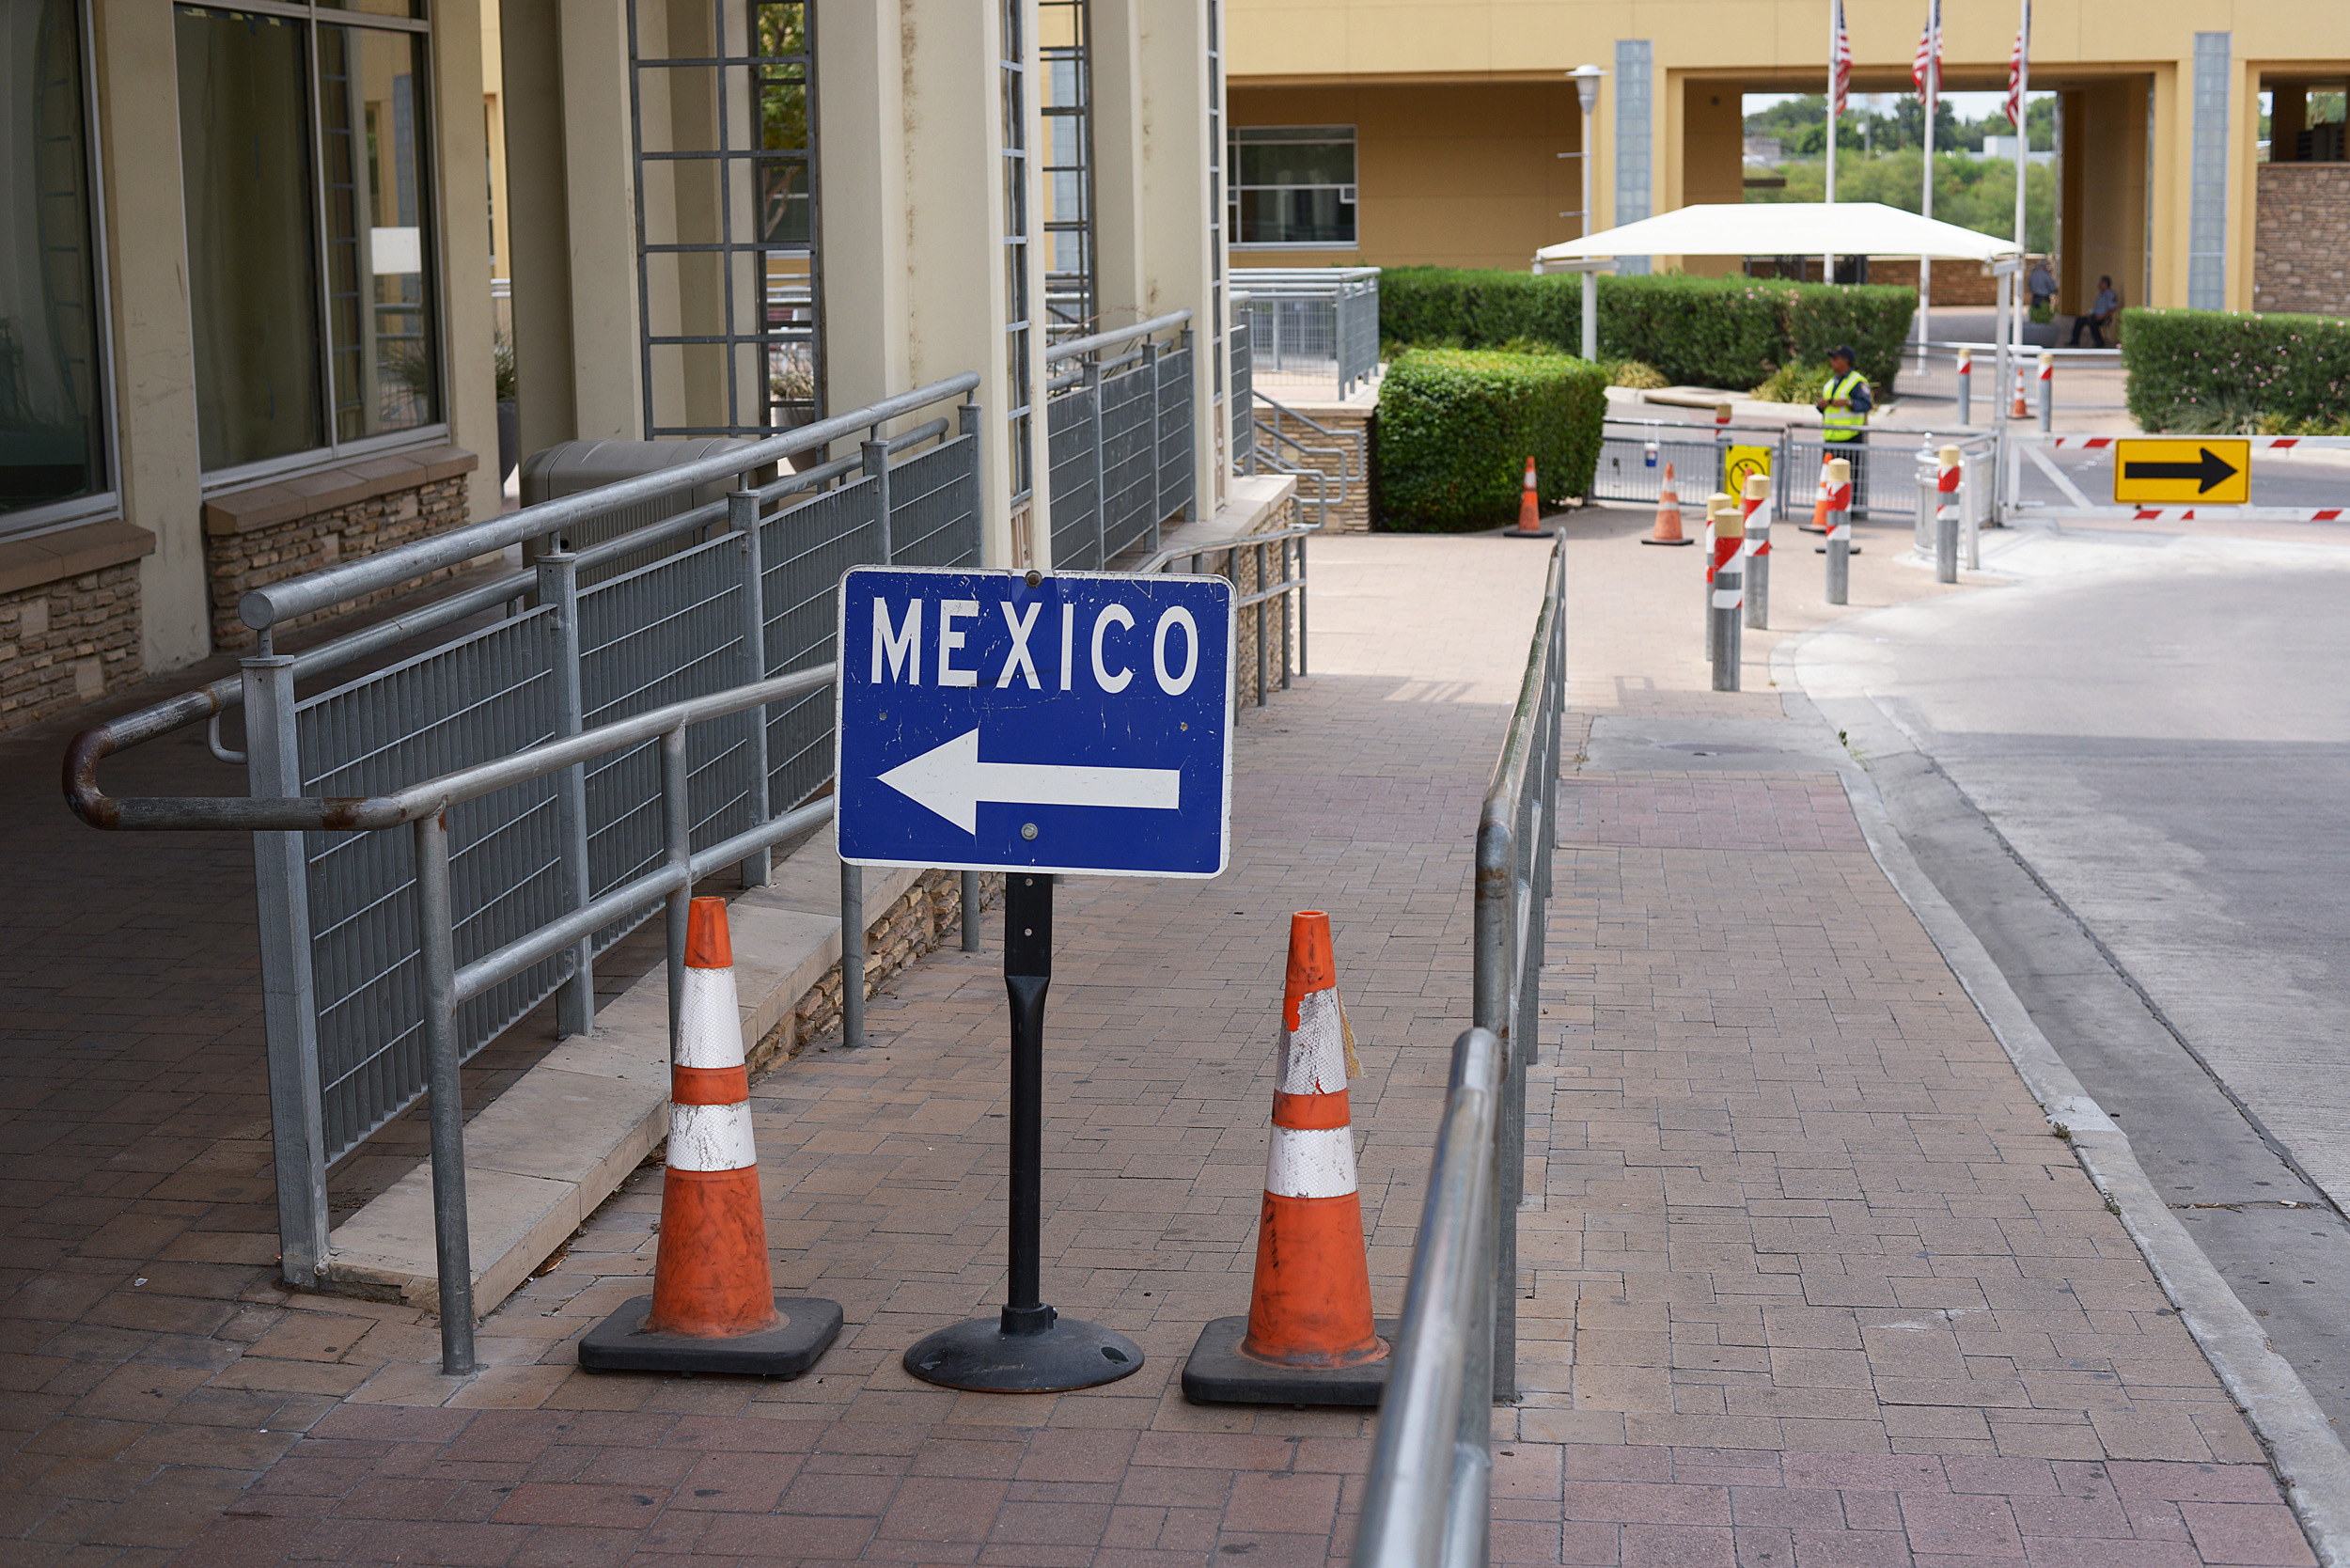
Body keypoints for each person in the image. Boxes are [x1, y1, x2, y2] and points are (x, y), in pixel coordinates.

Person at [1815, 345, 1872, 511]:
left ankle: (1847, 510)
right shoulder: (1830, 383)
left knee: (1848, 477)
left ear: (1846, 360)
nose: (1832, 362)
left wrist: (1849, 403)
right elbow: (1825, 407)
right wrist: (1821, 405)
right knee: (1829, 476)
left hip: (1849, 438)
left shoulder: (1856, 381)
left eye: (1835, 358)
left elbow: (1866, 404)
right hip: (1831, 438)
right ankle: (1830, 507)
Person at [2071, 274, 2121, 348]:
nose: (2099, 285)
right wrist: (2091, 314)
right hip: (2096, 315)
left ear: (2105, 284)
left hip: (2104, 317)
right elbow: (2098, 308)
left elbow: (2112, 309)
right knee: (2079, 320)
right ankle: (2074, 341)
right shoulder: (2101, 294)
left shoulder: (2110, 294)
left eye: (2100, 283)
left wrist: (2102, 317)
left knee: (2092, 323)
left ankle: (2099, 342)